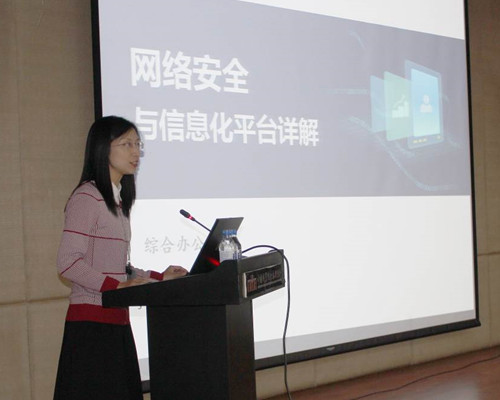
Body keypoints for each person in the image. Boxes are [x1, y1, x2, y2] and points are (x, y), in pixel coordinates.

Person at [53, 116, 187, 400]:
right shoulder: (87, 197)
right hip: (91, 326)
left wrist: (159, 277)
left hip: (116, 320)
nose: (136, 152)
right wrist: (116, 287)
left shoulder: (116, 201)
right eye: (127, 144)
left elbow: (118, 270)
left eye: (138, 144)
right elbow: (68, 262)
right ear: (103, 148)